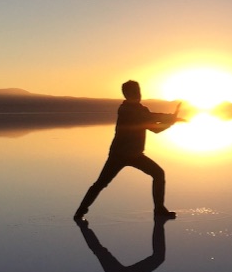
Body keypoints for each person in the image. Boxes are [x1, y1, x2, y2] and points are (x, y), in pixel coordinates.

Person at [74, 80, 180, 220]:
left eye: (139, 91)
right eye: (134, 92)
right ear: (127, 94)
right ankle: (80, 212)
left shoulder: (141, 109)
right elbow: (150, 119)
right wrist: (171, 118)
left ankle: (159, 209)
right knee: (101, 183)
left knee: (158, 174)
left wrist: (171, 121)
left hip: (136, 155)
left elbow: (155, 129)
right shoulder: (125, 110)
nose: (138, 94)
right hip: (119, 155)